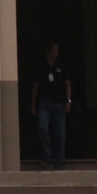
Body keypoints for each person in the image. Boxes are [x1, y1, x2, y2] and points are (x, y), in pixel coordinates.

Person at [29, 41, 71, 169]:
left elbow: (67, 85)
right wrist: (33, 104)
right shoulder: (41, 67)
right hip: (44, 103)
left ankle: (60, 162)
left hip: (59, 104)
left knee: (60, 134)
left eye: (57, 51)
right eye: (54, 50)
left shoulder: (61, 66)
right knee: (42, 128)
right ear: (48, 52)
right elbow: (35, 87)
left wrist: (68, 101)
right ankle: (46, 156)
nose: (56, 53)